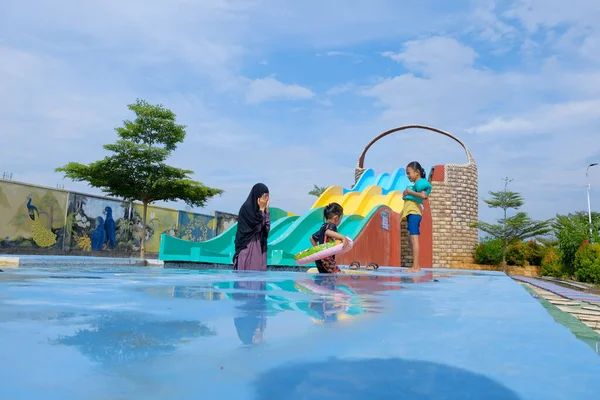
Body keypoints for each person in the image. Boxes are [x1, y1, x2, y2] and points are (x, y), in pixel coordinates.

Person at [402, 161, 432, 272]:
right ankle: (416, 265)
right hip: (411, 213)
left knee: (414, 239)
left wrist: (410, 192)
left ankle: (416, 267)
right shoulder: (415, 184)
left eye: (409, 173)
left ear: (417, 172)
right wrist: (407, 193)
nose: (408, 176)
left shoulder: (420, 183)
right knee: (410, 240)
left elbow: (423, 196)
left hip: (414, 212)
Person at [233, 183, 270, 271]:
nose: (266, 200)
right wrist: (261, 210)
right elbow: (258, 227)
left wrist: (266, 210)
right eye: (264, 197)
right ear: (258, 196)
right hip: (247, 248)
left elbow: (267, 228)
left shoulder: (263, 211)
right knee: (244, 280)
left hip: (259, 249)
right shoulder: (246, 209)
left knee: (259, 280)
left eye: (267, 197)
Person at [309, 202, 351, 274]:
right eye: (340, 219)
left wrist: (319, 251)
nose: (340, 221)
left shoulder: (323, 227)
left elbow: (312, 238)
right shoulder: (331, 225)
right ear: (336, 218)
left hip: (320, 260)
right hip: (326, 259)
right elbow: (328, 232)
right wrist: (343, 237)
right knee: (337, 275)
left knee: (325, 280)